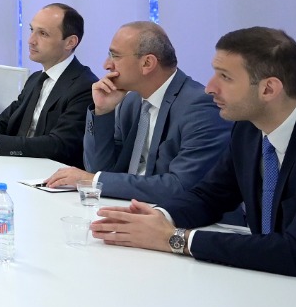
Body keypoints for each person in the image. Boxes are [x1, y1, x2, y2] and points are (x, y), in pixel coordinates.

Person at [91, 27, 296, 294]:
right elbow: (209, 196)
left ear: (268, 89)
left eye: (225, 77)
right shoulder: (249, 128)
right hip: (274, 285)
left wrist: (175, 239)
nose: (210, 87)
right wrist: (159, 217)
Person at [42, 21, 232, 201]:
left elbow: (180, 186)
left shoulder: (200, 107)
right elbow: (100, 169)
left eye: (115, 56)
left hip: (183, 218)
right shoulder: (131, 101)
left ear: (147, 63)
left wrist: (93, 180)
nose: (106, 65)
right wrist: (102, 112)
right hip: (131, 207)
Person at [0, 4, 96, 167]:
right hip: (20, 166)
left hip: (51, 172)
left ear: (70, 42)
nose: (31, 41)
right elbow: (7, 119)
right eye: (32, 30)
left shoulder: (85, 86)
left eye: (43, 34)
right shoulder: (36, 79)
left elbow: (59, 145)